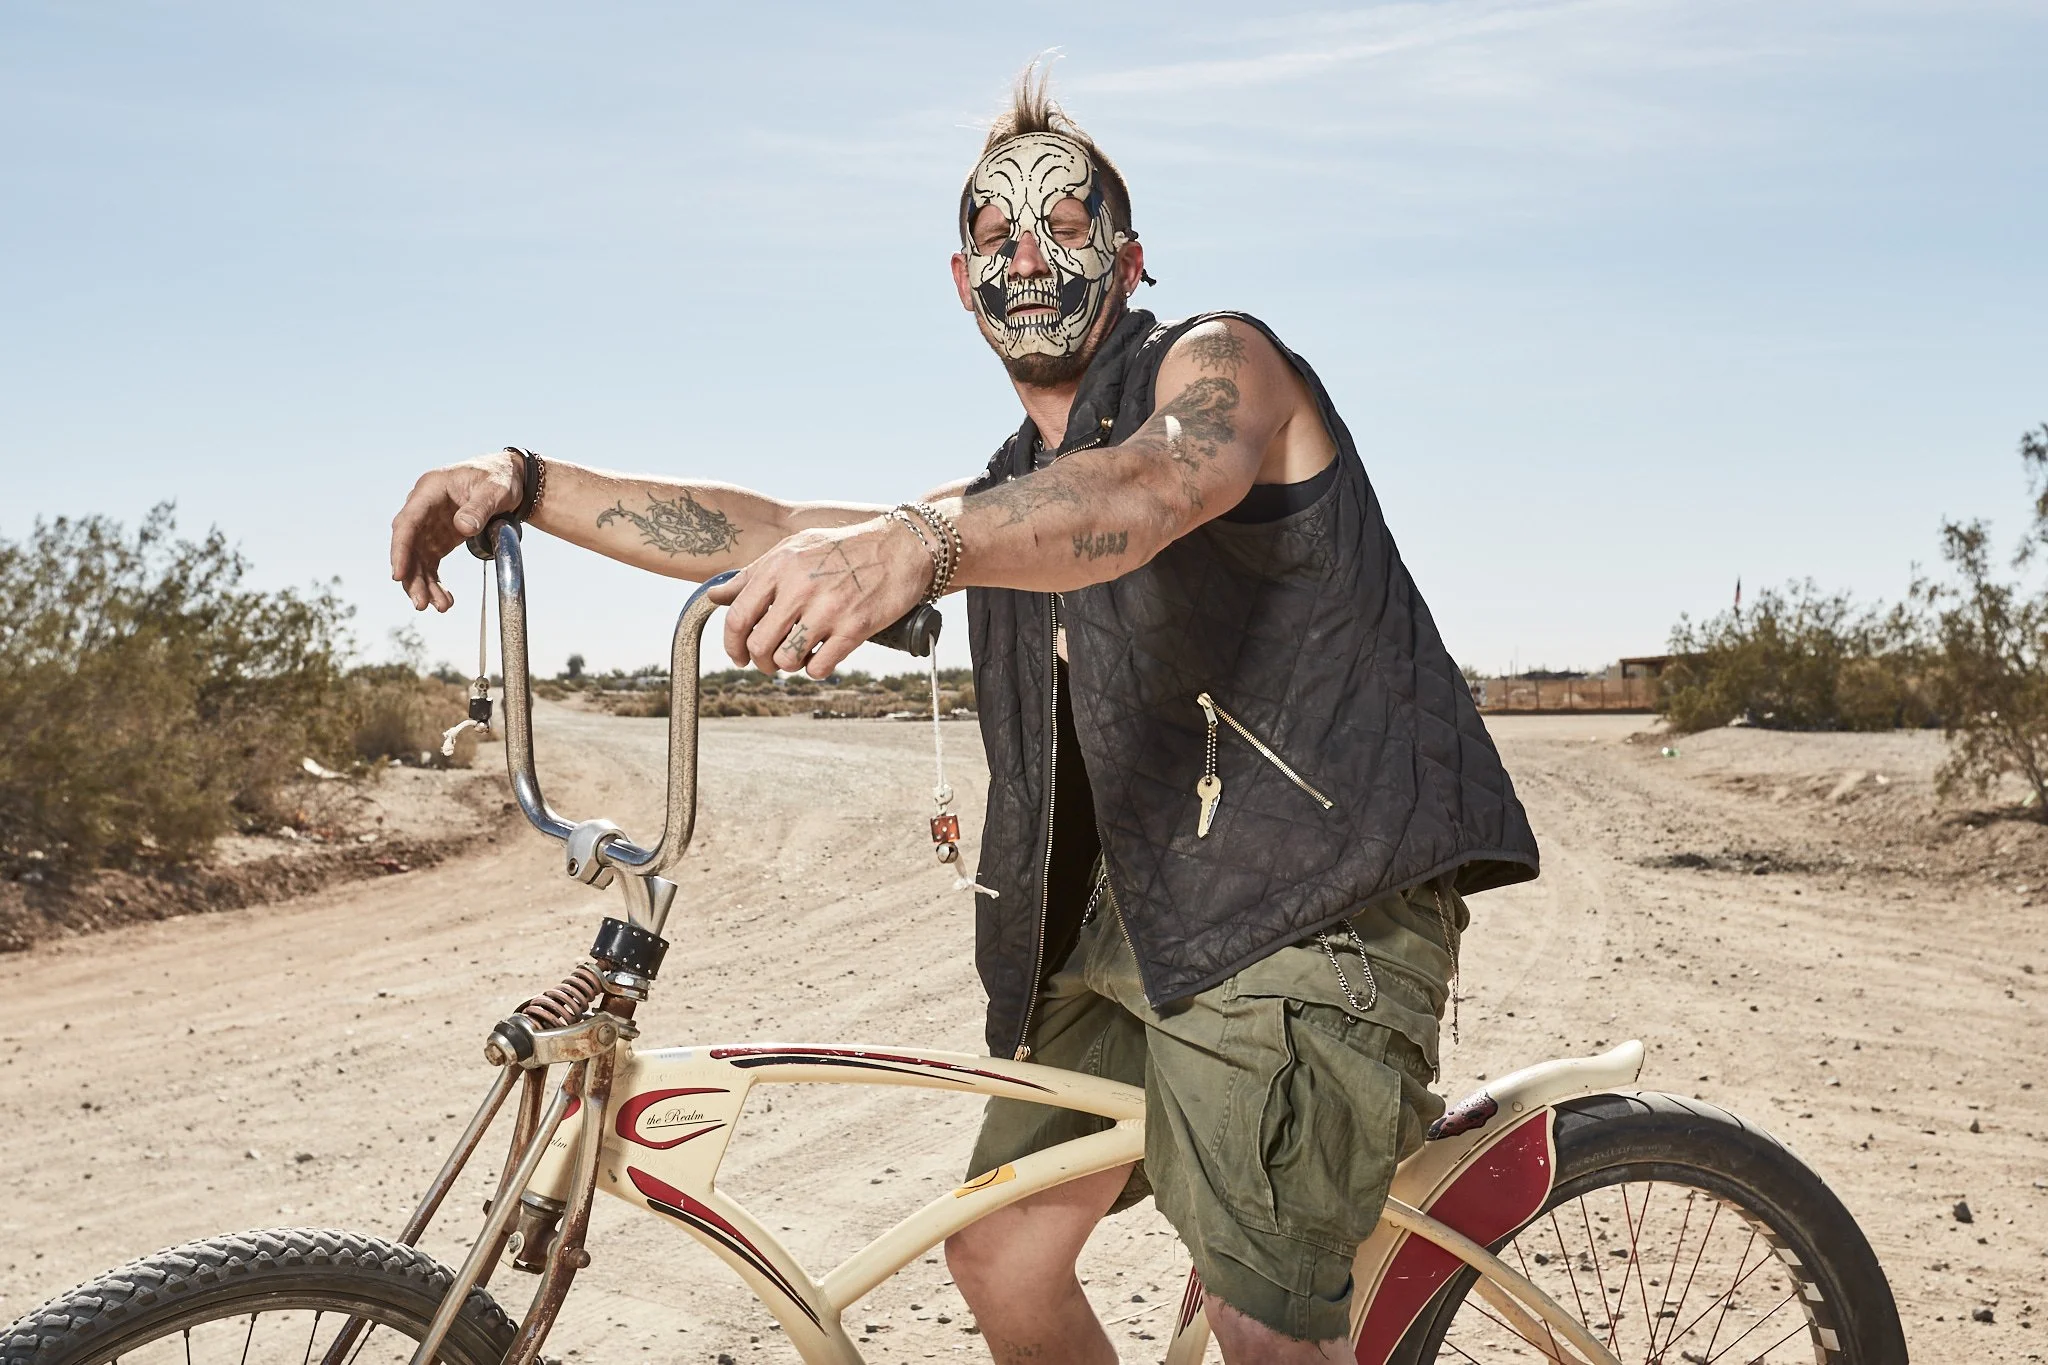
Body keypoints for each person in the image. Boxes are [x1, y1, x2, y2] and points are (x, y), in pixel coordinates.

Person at [390, 66, 1537, 1365]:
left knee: (1264, 1324)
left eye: (1065, 225)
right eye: (998, 236)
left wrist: (921, 547)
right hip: (1135, 936)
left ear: (1132, 255)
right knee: (998, 1254)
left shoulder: (1223, 364)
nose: (1031, 256)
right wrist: (524, 480)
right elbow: (772, 529)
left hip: (1307, 911)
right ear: (958, 282)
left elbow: (1158, 489)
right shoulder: (1004, 487)